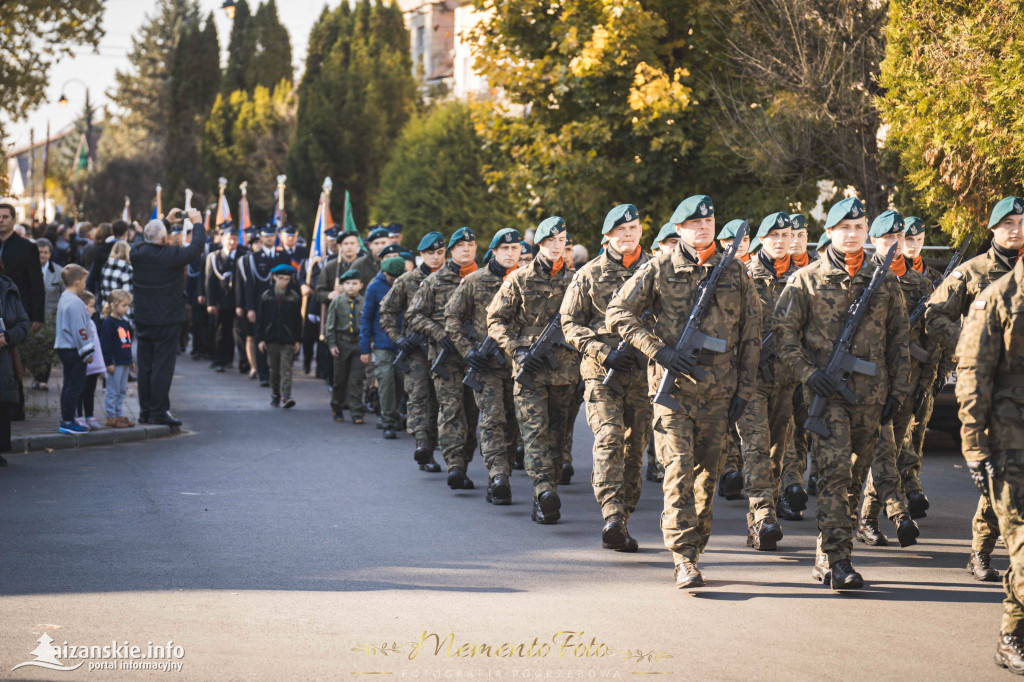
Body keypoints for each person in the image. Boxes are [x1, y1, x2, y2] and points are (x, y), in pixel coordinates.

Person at [607, 195, 759, 588]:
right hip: (673, 392)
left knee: (707, 479)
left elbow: (751, 335)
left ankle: (697, 546)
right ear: (679, 230)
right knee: (678, 473)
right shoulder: (658, 268)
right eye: (694, 223)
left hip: (720, 391)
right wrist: (658, 350)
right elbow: (617, 313)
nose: (703, 227)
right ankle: (683, 557)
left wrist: (745, 388)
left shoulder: (736, 272)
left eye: (708, 221)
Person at [775, 196, 910, 591]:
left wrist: (897, 393)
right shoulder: (807, 279)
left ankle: (827, 549)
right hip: (827, 395)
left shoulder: (884, 281)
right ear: (830, 232)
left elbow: (899, 341)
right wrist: (807, 373)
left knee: (855, 478)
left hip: (872, 396)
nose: (852, 235)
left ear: (866, 231)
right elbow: (784, 336)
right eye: (844, 228)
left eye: (858, 228)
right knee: (834, 475)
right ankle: (839, 561)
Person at [926, 196, 1024, 582]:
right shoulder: (973, 272)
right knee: (1003, 473)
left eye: (1021, 222)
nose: (1016, 229)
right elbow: (935, 315)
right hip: (991, 388)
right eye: (1008, 224)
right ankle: (982, 551)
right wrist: (970, 342)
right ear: (993, 229)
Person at [562, 204, 651, 550]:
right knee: (610, 438)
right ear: (607, 236)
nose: (627, 235)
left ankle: (623, 519)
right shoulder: (588, 274)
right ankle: (611, 514)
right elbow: (569, 324)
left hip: (643, 373)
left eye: (633, 228)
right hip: (602, 374)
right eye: (620, 230)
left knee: (634, 450)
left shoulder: (655, 269)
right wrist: (602, 351)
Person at [954, 248, 1024, 674]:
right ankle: (1012, 636)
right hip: (1010, 445)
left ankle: (1011, 634)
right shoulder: (998, 298)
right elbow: (972, 378)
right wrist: (976, 449)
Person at [488, 217, 580, 522]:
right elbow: (495, 320)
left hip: (565, 373)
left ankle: (548, 486)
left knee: (557, 437)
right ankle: (543, 491)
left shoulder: (576, 280)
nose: (557, 247)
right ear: (540, 243)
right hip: (529, 371)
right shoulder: (519, 279)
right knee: (534, 433)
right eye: (551, 241)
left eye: (562, 241)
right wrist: (516, 348)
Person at [857, 210, 931, 548]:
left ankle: (867, 519)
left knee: (895, 452)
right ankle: (899, 514)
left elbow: (932, 342)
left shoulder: (919, 283)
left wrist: (928, 380)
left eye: (899, 238)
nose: (895, 244)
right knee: (885, 451)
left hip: (907, 381)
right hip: (870, 381)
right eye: (887, 239)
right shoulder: (864, 278)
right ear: (874, 241)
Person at [735, 212, 799, 551]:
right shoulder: (742, 275)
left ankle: (761, 521)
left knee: (776, 449)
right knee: (756, 448)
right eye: (773, 234)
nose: (780, 239)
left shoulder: (803, 278)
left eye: (786, 234)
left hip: (788, 380)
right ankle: (763, 516)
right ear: (761, 239)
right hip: (751, 380)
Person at [447, 228, 522, 505]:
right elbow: (452, 318)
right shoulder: (474, 281)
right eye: (505, 249)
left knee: (513, 422)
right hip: (487, 364)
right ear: (493, 251)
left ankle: (505, 470)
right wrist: (467, 352)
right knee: (493, 420)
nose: (510, 253)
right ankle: (498, 476)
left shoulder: (525, 279)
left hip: (518, 364)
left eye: (515, 249)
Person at [409, 227, 482, 491]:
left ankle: (464, 460)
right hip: (446, 359)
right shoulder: (434, 281)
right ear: (451, 251)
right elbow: (414, 316)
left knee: (473, 414)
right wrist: (440, 334)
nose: (466, 249)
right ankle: (455, 466)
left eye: (470, 245)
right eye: (460, 245)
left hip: (476, 359)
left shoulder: (483, 279)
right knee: (451, 410)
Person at [130, 209, 206, 427]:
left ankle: (145, 411)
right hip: (167, 319)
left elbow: (141, 239)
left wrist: (163, 222)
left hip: (143, 318)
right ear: (164, 238)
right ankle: (159, 411)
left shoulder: (137, 254)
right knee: (162, 366)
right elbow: (196, 248)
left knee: (145, 366)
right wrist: (198, 223)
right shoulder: (172, 256)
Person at [379, 232, 446, 472]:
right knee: (418, 396)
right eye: (430, 253)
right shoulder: (407, 280)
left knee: (442, 400)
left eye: (440, 252)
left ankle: (438, 444)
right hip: (417, 350)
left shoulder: (455, 279)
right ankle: (422, 445)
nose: (436, 257)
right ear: (421, 255)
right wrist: (398, 339)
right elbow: (386, 311)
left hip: (446, 350)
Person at [715, 218, 751, 501]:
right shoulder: (718, 271)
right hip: (722, 363)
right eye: (730, 243)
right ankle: (729, 471)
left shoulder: (745, 274)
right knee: (726, 423)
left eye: (743, 241)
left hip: (750, 360)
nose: (738, 246)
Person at [361, 257, 405, 438]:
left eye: (397, 277)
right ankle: (387, 421)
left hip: (403, 343)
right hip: (382, 343)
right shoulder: (375, 287)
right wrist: (364, 347)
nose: (393, 280)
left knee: (400, 381)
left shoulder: (407, 283)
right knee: (386, 380)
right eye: (390, 277)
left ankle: (394, 414)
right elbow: (366, 317)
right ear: (383, 273)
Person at [54, 264, 94, 435]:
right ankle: (69, 421)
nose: (85, 284)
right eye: (84, 281)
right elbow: (80, 330)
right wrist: (87, 352)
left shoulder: (64, 298)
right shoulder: (76, 303)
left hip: (65, 347)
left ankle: (66, 418)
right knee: (75, 385)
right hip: (74, 349)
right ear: (78, 282)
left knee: (69, 383)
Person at [256, 264, 302, 409]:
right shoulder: (267, 296)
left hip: (287, 338)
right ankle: (275, 394)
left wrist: (297, 340)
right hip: (271, 338)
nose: (283, 282)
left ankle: (286, 395)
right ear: (275, 277)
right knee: (274, 370)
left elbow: (297, 320)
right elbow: (261, 319)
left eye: (287, 279)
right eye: (281, 278)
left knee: (286, 368)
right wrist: (260, 339)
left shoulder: (293, 297)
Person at [0, 259, 30, 464]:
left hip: (3, 358)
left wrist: (8, 337)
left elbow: (23, 322)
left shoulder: (7, 287)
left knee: (1, 405)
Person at [239, 224, 276, 386]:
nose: (269, 238)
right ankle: (263, 374)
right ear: (261, 237)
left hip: (278, 306)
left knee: (276, 340)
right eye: (266, 235)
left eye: (272, 235)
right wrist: (250, 308)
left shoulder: (281, 257)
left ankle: (276, 372)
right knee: (259, 338)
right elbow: (249, 286)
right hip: (260, 307)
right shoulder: (253, 258)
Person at [326, 269, 365, 421]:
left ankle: (356, 412)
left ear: (361, 285)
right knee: (340, 379)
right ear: (343, 285)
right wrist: (332, 344)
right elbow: (330, 324)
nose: (351, 287)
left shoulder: (364, 302)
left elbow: (367, 323)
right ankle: (337, 407)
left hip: (358, 343)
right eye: (347, 283)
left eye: (354, 283)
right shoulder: (337, 302)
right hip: (342, 343)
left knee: (356, 379)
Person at [205, 224, 243, 373]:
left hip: (237, 301)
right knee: (220, 331)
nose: (232, 242)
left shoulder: (242, 256)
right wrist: (210, 302)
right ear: (222, 240)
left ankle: (233, 359)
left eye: (234, 239)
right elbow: (209, 281)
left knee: (238, 332)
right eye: (229, 239)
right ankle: (219, 359)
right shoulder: (215, 257)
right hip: (221, 301)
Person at [0, 202, 44, 330]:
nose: (1, 220)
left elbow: (36, 282)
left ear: (14, 220)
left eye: (5, 217)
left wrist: (37, 316)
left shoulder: (27, 247)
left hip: (17, 310)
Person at [100, 289, 135, 428]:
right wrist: (108, 362)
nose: (127, 308)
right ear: (114, 305)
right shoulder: (109, 323)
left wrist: (130, 360)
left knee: (122, 390)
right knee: (112, 390)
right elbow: (106, 344)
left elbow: (127, 343)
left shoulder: (125, 323)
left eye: (128, 305)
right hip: (115, 363)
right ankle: (111, 416)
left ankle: (119, 414)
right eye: (124, 305)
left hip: (125, 362)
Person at [32, 237, 63, 390]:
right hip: (32, 317)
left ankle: (43, 379)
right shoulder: (28, 269)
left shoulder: (58, 271)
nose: (42, 255)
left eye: (45, 252)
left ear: (50, 254)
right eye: (39, 252)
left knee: (46, 348)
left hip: (51, 318)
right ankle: (36, 378)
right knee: (34, 348)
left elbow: (64, 294)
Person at [76, 291, 106, 431]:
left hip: (93, 365)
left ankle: (89, 416)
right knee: (80, 391)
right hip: (84, 363)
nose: (94, 309)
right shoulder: (80, 323)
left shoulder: (93, 323)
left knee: (90, 391)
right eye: (91, 306)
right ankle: (79, 416)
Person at [99, 240, 133, 319]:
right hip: (122, 314)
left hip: (106, 310)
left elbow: (103, 290)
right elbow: (128, 295)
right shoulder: (127, 269)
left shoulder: (105, 266)